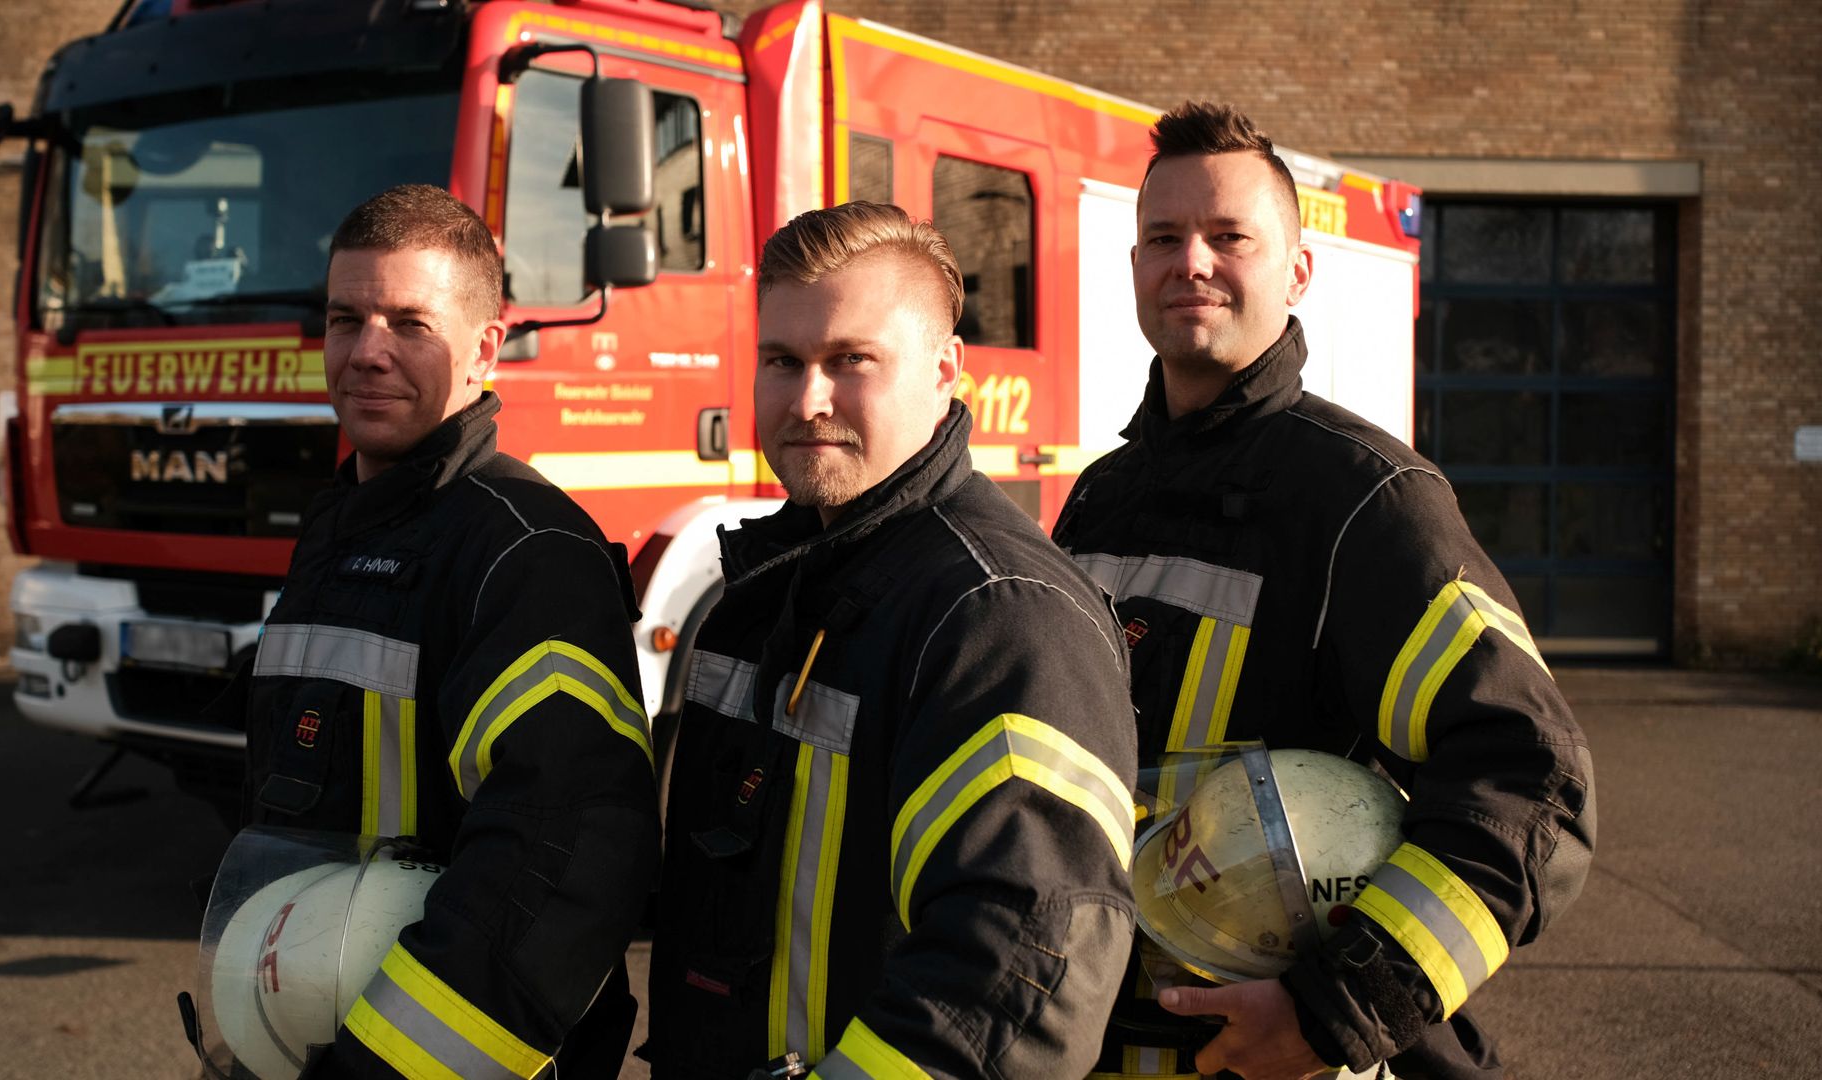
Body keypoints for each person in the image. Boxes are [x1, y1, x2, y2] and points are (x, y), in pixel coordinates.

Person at [1052, 104, 1595, 1080]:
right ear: (1133, 265)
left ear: (1297, 271)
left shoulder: (1364, 500)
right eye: (1163, 239)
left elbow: (1532, 781)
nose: (1192, 263)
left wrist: (1340, 1009)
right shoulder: (1103, 497)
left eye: (1230, 237)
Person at [645, 202, 1141, 1078]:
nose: (808, 400)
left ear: (948, 369)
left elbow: (1019, 970)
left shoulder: (1000, 616)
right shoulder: (762, 591)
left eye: (851, 361)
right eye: (782, 361)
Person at [239, 184, 659, 1078]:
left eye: (410, 323)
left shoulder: (525, 550)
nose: (367, 354)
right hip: (318, 1024)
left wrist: (389, 1065)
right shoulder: (341, 529)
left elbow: (564, 855)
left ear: (484, 348)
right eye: (345, 319)